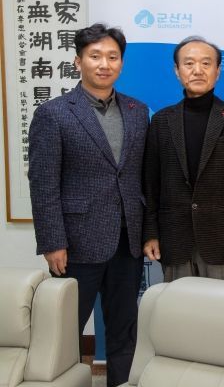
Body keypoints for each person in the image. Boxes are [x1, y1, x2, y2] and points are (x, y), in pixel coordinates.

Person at [29, 23, 149, 387]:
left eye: (113, 57)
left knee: (124, 328)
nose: (104, 64)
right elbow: (44, 183)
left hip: (128, 240)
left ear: (121, 63)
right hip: (76, 243)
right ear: (78, 61)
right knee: (66, 329)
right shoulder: (54, 113)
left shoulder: (137, 110)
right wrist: (53, 242)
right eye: (95, 56)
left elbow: (141, 176)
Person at [142, 36, 224, 281]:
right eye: (189, 63)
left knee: (222, 305)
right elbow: (151, 185)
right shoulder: (161, 121)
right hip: (174, 238)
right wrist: (151, 233)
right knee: (177, 304)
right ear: (177, 71)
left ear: (218, 71)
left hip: (223, 239)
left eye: (206, 63)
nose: (198, 70)